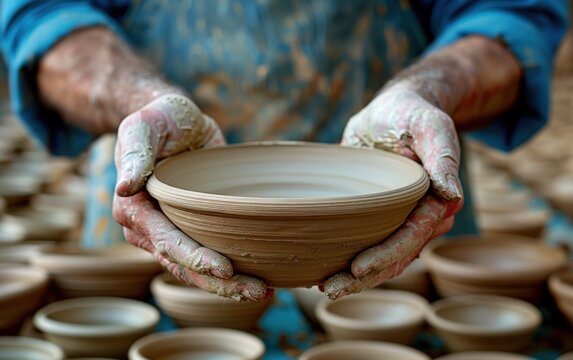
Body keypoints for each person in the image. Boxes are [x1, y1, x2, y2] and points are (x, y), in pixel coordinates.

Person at [0, 1, 568, 303]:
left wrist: (429, 91)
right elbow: (41, 15)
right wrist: (137, 100)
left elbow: (513, 16)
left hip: (394, 237)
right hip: (159, 218)